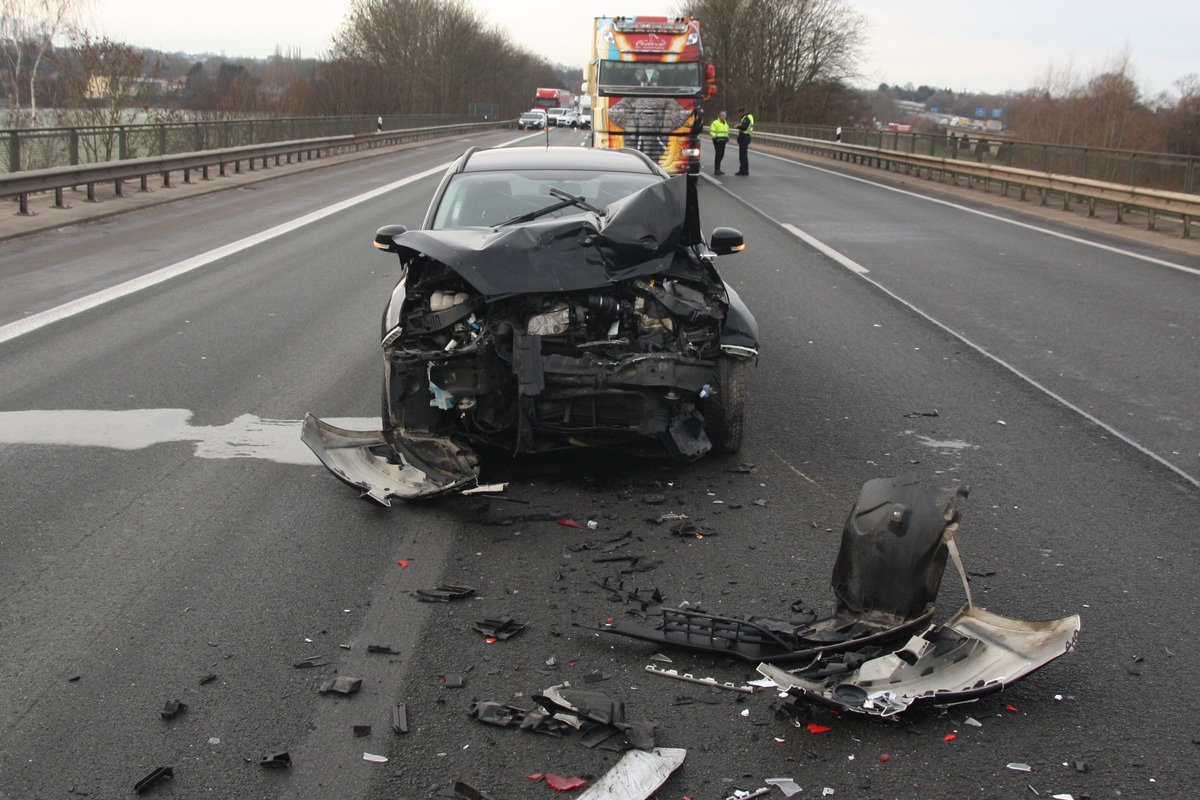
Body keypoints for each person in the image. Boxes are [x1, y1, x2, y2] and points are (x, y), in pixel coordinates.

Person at [709, 110, 730, 175]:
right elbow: (711, 131)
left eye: (724, 116)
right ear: (719, 116)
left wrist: (727, 138)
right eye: (722, 116)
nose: (723, 117)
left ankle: (719, 168)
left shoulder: (726, 123)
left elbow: (726, 132)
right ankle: (716, 170)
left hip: (724, 141)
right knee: (718, 155)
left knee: (721, 155)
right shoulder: (715, 123)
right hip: (717, 140)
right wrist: (715, 137)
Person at [735, 107, 754, 175]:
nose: (739, 115)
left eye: (740, 113)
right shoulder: (750, 117)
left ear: (742, 112)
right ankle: (745, 170)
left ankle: (743, 170)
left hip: (744, 137)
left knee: (743, 155)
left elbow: (744, 127)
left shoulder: (747, 118)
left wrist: (738, 126)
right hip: (746, 136)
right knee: (744, 155)